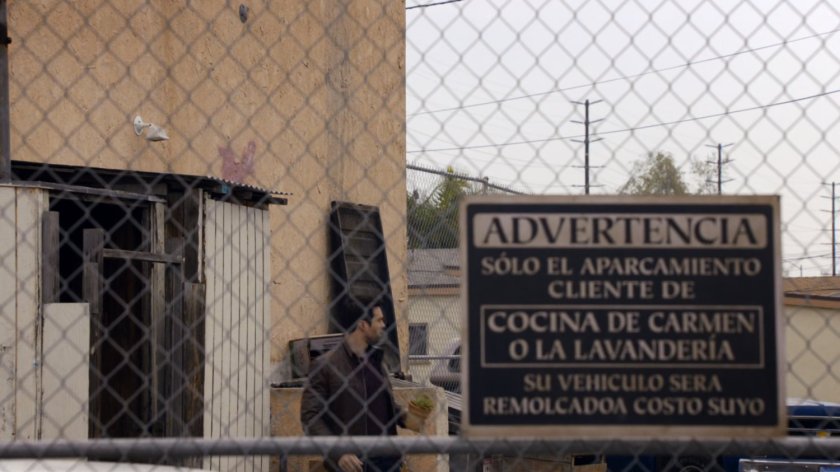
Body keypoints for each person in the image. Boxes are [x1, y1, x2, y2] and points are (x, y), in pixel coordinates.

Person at [300, 299, 406, 472]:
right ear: (363, 324)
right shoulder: (326, 365)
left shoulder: (377, 361)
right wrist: (337, 452)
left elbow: (384, 406)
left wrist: (407, 417)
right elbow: (310, 417)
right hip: (355, 464)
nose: (384, 325)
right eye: (378, 320)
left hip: (388, 461)